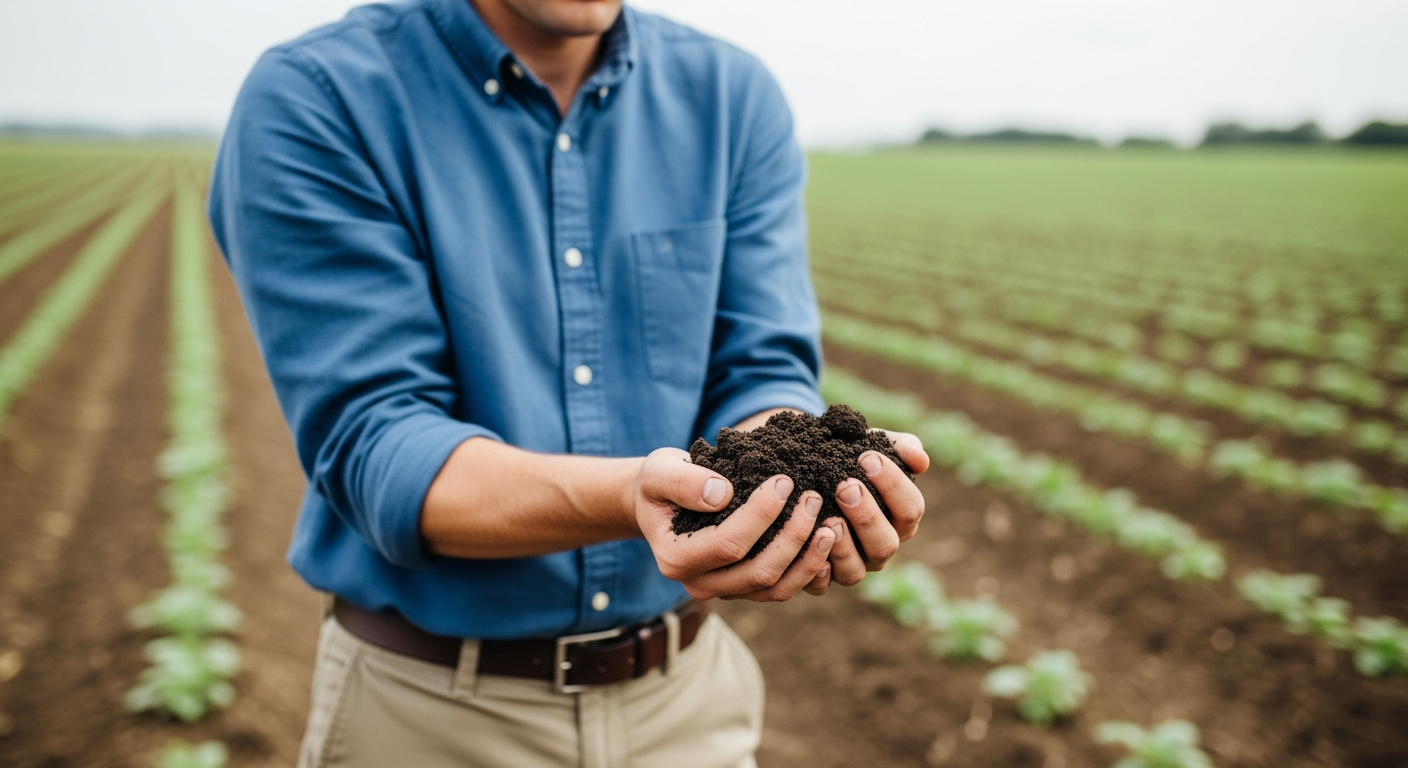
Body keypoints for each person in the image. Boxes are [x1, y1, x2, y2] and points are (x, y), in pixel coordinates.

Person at [208, 0, 929, 765]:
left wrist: (789, 468)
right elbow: (379, 446)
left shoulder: (729, 95)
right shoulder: (320, 96)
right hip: (432, 715)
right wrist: (630, 496)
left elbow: (761, 369)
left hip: (688, 705)